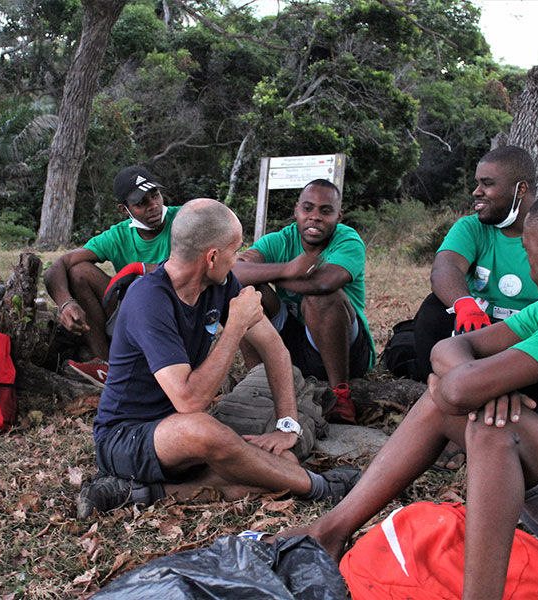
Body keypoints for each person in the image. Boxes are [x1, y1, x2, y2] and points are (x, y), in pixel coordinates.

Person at [278, 188, 538, 599]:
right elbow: (455, 347)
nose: (525, 259)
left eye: (526, 249)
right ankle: (329, 532)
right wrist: (480, 385)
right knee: (458, 403)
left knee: (495, 426)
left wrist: (476, 386)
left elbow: (461, 386)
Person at [77, 199, 361, 519]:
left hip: (180, 432)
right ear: (212, 257)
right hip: (125, 437)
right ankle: (321, 488)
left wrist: (286, 425)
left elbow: (275, 350)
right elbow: (189, 401)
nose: (238, 259)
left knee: (281, 466)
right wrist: (235, 326)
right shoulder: (148, 300)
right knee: (206, 431)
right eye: (234, 250)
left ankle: (141, 493)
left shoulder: (220, 284)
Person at [413, 146, 538, 470]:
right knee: (433, 313)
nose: (477, 192)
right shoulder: (473, 228)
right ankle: (451, 414)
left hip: (531, 341)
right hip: (477, 333)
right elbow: (445, 267)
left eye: (487, 184)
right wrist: (465, 304)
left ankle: (521, 428)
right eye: (477, 183)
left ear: (520, 188)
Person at [231, 179, 374, 424]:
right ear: (296, 210)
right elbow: (234, 272)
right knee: (243, 292)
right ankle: (256, 381)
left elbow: (324, 283)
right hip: (292, 342)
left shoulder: (348, 240)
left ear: (338, 216)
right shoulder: (280, 240)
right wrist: (289, 268)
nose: (315, 217)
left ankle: (340, 394)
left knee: (320, 298)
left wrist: (279, 274)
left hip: (345, 349)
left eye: (325, 211)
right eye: (308, 208)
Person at [44, 165, 180, 387]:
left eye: (155, 195)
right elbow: (58, 265)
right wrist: (66, 304)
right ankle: (108, 365)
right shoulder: (118, 235)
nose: (153, 206)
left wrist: (143, 268)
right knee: (79, 272)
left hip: (176, 314)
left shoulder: (184, 219)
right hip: (133, 314)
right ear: (124, 210)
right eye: (141, 203)